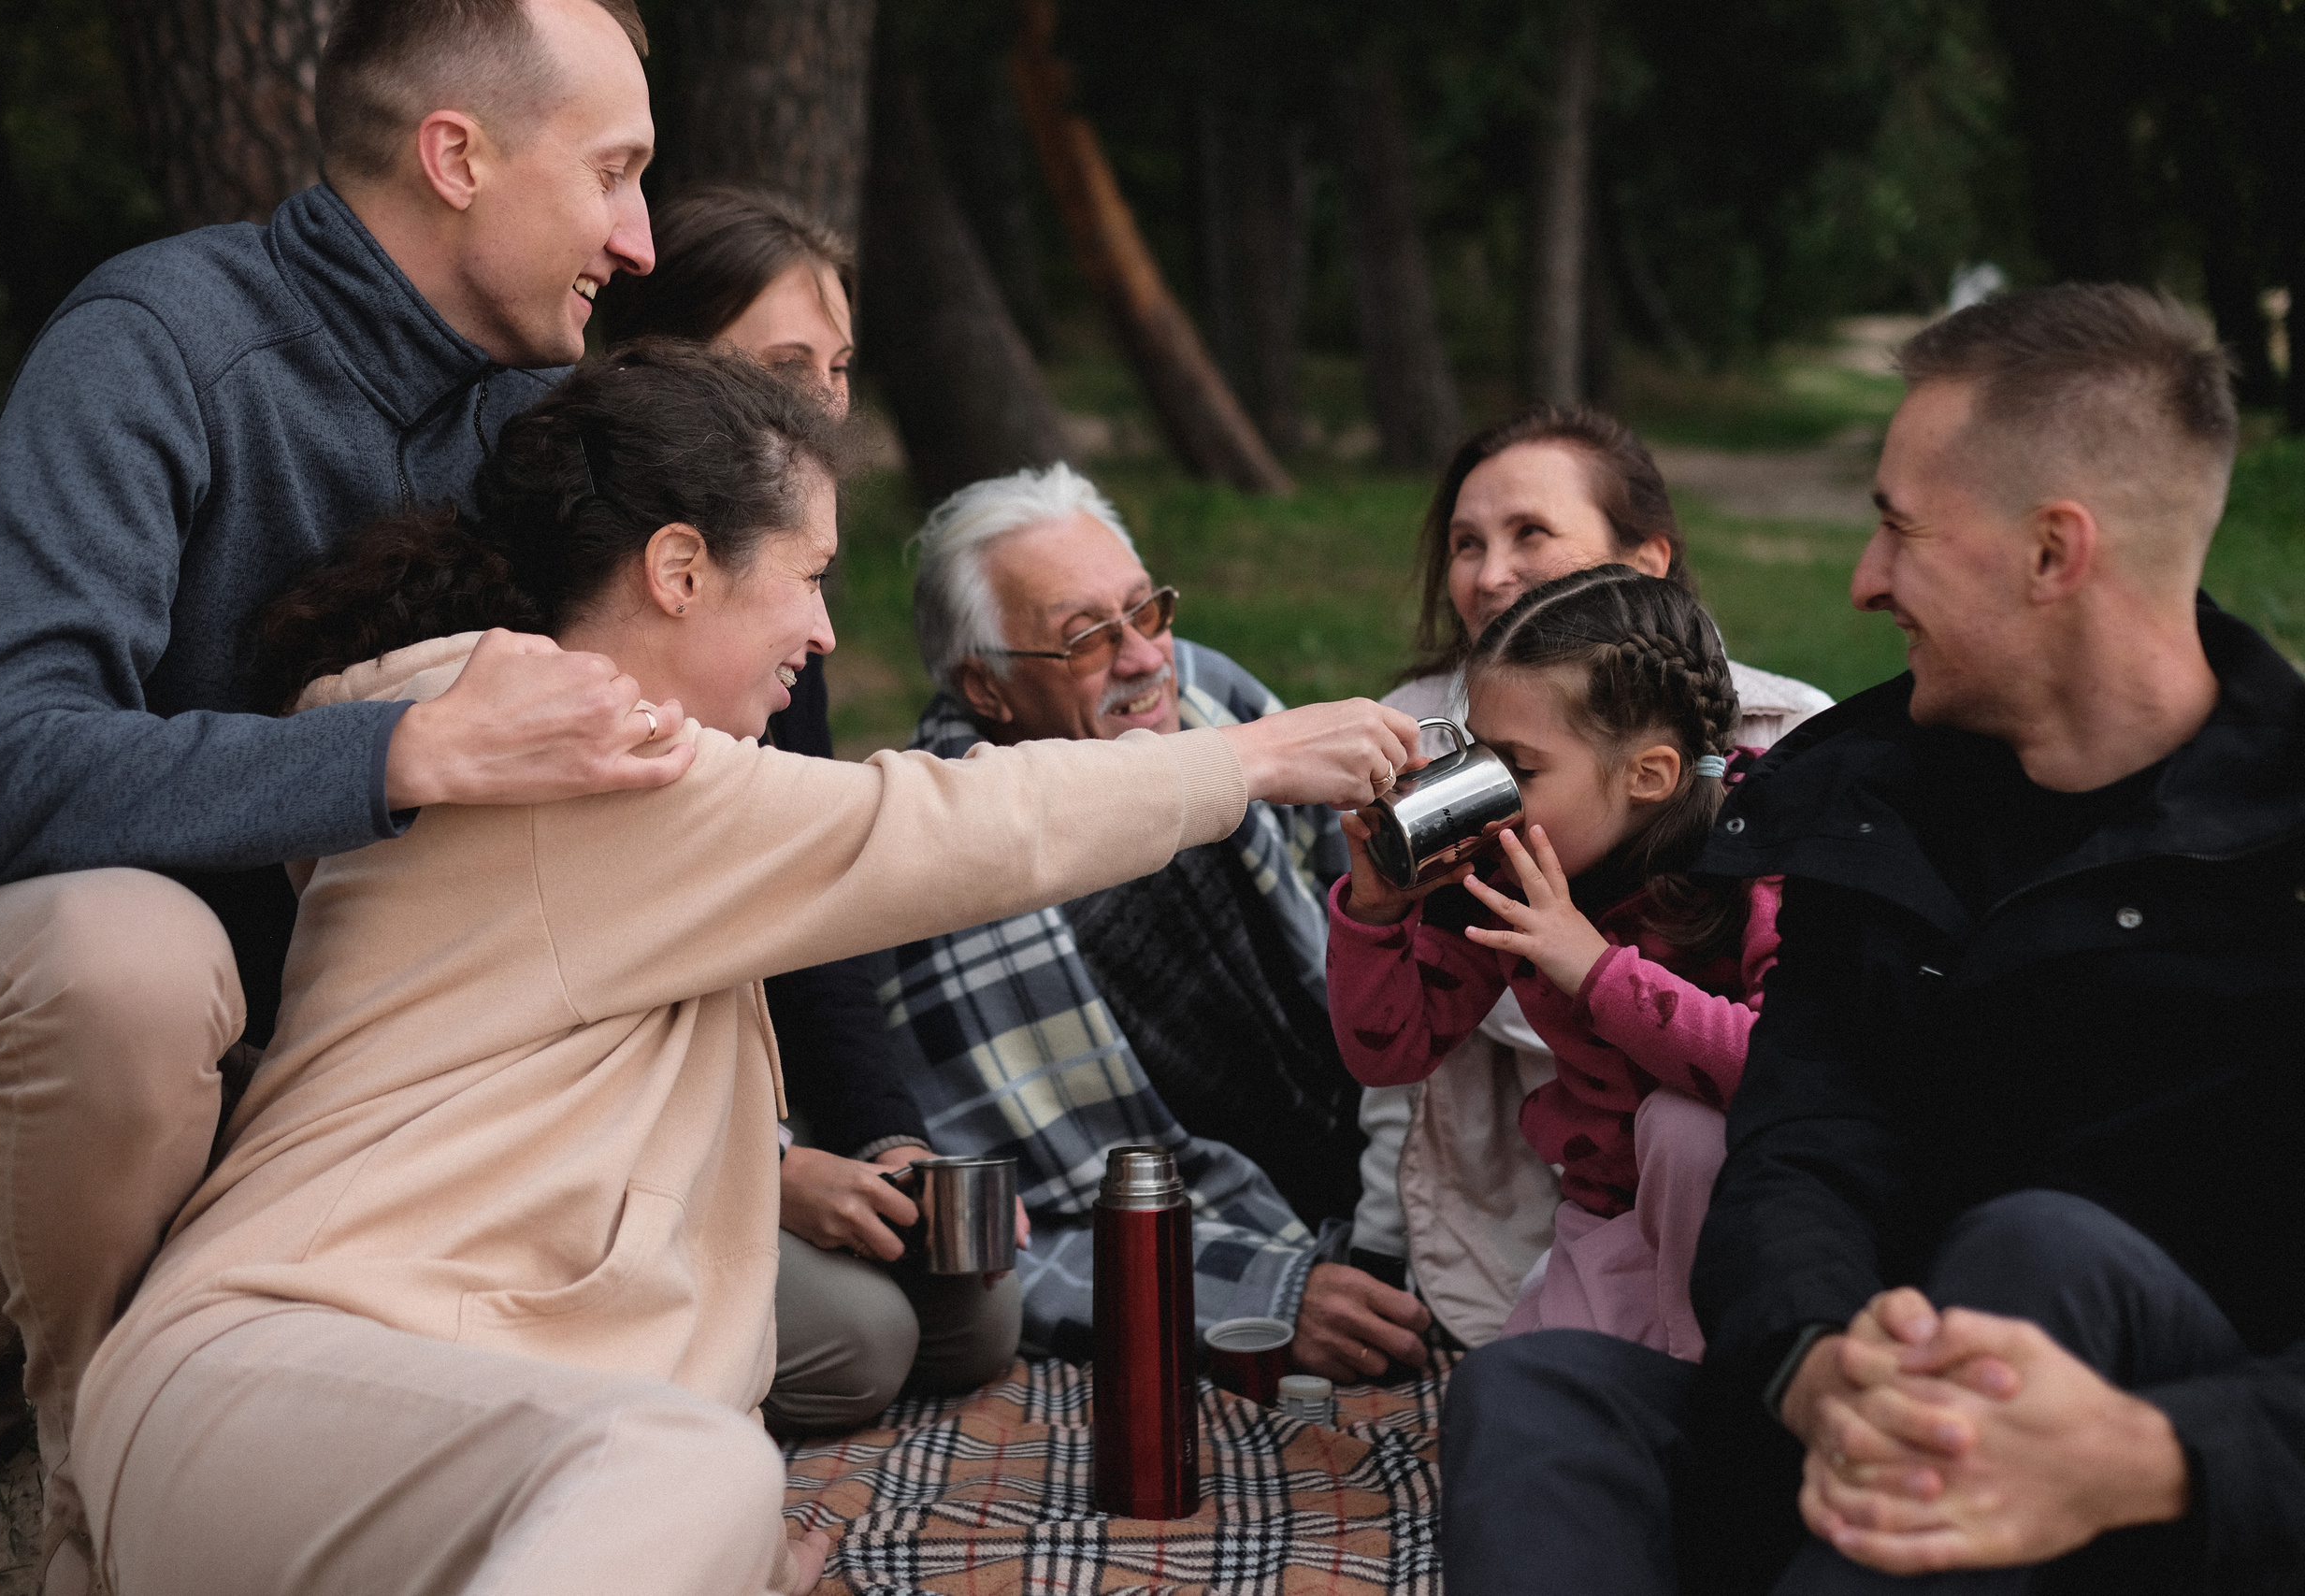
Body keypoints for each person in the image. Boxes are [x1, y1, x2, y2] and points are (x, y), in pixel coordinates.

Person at [73, 341, 1420, 1596]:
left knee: (702, 1470)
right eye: (810, 572)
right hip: (275, 1384)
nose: (829, 633)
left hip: (396, 1413)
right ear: (678, 568)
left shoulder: (563, 756)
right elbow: (936, 825)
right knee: (693, 1467)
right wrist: (1248, 757)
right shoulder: (592, 771)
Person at [0, 0, 671, 1581]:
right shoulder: (156, 346)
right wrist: (396, 753)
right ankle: (93, 1509)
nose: (642, 238)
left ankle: (4, 1299)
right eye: (613, 174)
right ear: (457, 156)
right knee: (126, 964)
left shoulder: (543, 416)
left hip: (336, 1051)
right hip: (9, 975)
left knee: (806, 1329)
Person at [1441, 282, 2305, 1595]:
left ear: (2052, 553)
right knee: (1536, 1394)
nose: (1863, 581)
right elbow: (1799, 1149)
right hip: (1888, 1419)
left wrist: (2157, 1452)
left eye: (1900, 529)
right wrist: (1815, 1359)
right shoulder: (1875, 804)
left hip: (2181, 1483)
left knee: (2039, 1251)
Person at [598, 182, 1018, 1433]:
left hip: (741, 1113)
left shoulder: (782, 605)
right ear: (661, 367)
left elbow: (813, 902)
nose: (826, 403)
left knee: (970, 1308)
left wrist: (885, 1141)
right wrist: (776, 1175)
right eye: (789, 367)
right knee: (861, 1343)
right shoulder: (594, 614)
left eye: (837, 368)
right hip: (605, 1151)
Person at [879, 462, 1432, 1385]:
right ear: (986, 688)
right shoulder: (936, 871)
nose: (1143, 658)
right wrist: (1252, 1293)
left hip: (1368, 1151)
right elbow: (1007, 1227)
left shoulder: (1209, 696)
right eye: (1086, 637)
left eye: (1147, 611)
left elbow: (1379, 934)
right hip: (1220, 1232)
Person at [1349, 406, 1834, 1355]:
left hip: (1748, 1210)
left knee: (1683, 1130)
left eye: (1531, 533)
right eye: (1465, 543)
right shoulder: (1502, 825)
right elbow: (1389, 1055)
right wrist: (1372, 911)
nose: (1490, 576)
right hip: (1586, 1211)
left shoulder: (1771, 801)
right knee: (1527, 1407)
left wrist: (1590, 965)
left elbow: (1789, 1066)